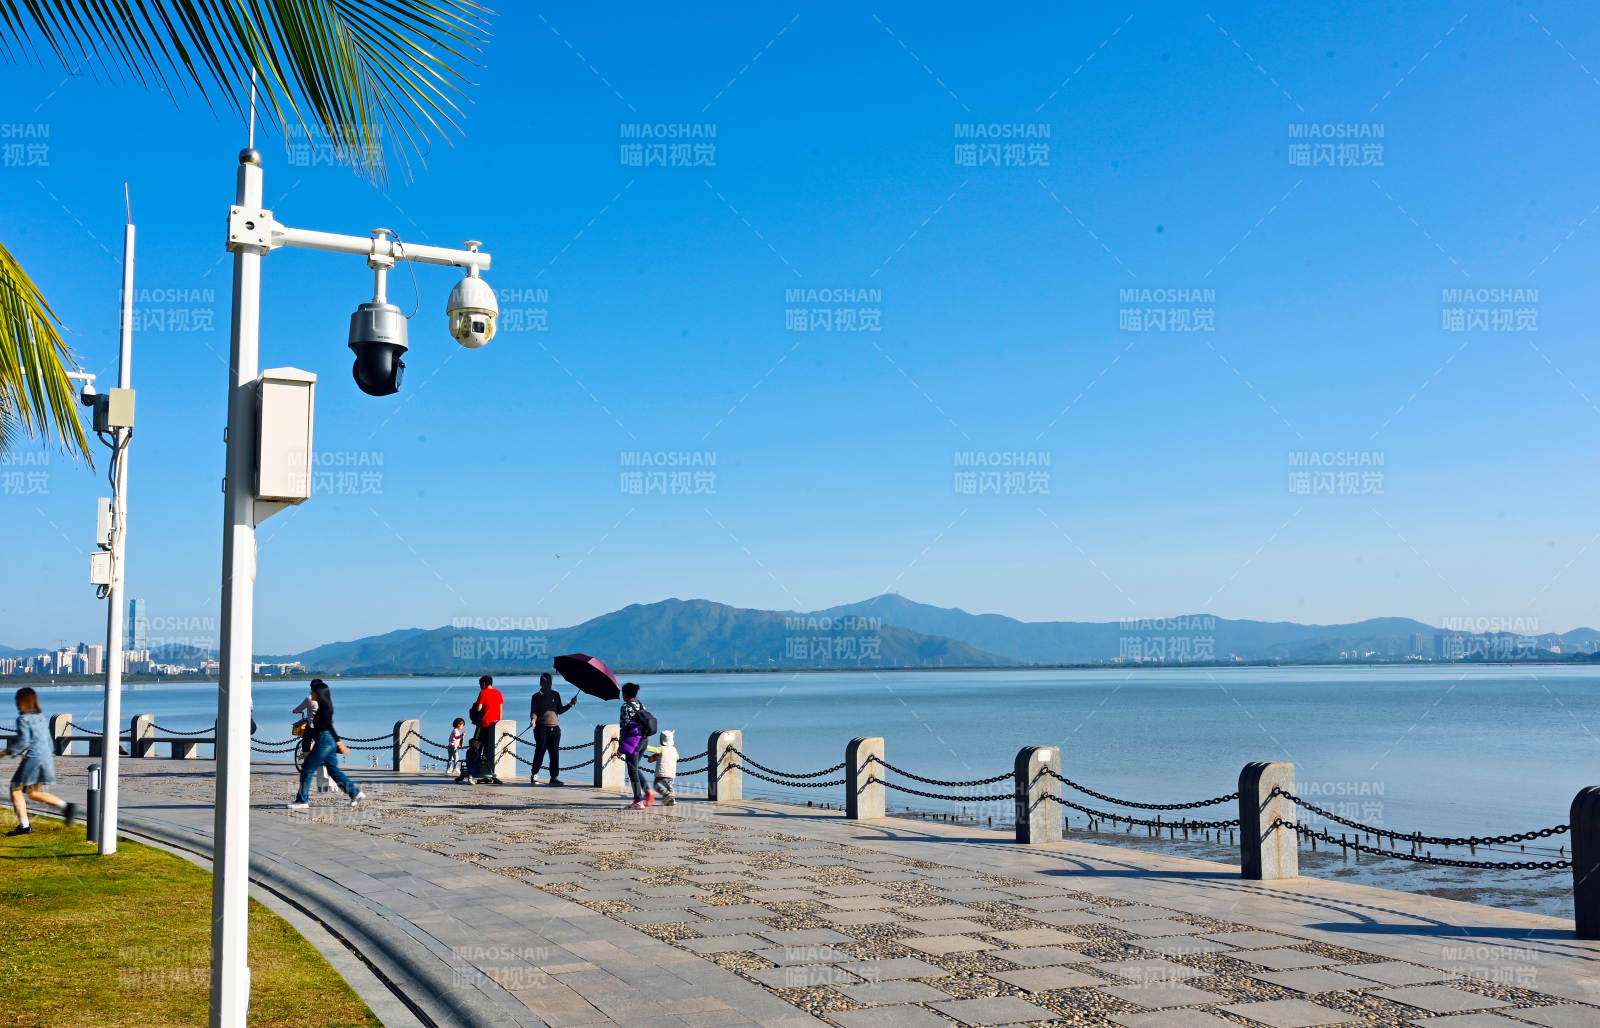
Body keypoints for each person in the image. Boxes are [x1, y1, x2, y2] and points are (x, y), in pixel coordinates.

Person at [2, 688, 77, 835]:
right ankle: (65, 806)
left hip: (33, 759)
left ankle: (24, 826)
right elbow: (49, 742)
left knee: (15, 789)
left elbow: (24, 742)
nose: (16, 703)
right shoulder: (41, 717)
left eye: (17, 700)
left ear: (22, 702)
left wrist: (6, 752)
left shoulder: (23, 719)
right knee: (32, 792)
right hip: (46, 758)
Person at [288, 679, 365, 810]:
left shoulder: (324, 709)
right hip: (327, 741)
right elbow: (319, 728)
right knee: (333, 771)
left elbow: (330, 727)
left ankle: (302, 800)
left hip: (324, 741)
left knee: (307, 769)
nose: (310, 694)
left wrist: (339, 743)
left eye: (313, 692)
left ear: (318, 693)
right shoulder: (325, 707)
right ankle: (355, 793)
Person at [528, 672, 577, 786]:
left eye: (549, 681)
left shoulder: (555, 694)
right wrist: (533, 720)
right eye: (544, 682)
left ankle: (554, 777)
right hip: (541, 728)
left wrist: (570, 704)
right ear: (541, 683)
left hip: (555, 729)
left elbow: (559, 710)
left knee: (554, 753)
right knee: (539, 751)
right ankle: (534, 774)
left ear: (551, 682)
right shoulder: (536, 696)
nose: (547, 684)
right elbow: (534, 711)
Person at [618, 682, 656, 809]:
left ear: (625, 693)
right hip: (644, 740)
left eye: (622, 692)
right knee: (635, 767)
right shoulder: (641, 704)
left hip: (633, 742)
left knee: (632, 770)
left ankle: (638, 800)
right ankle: (648, 791)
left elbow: (624, 727)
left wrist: (621, 747)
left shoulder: (625, 707)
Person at [469, 674, 504, 785]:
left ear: (484, 683)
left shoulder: (483, 693)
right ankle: (487, 773)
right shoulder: (499, 693)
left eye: (480, 684)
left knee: (476, 748)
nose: (480, 686)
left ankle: (473, 772)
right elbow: (500, 711)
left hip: (482, 725)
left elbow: (479, 708)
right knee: (489, 751)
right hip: (494, 726)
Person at [644, 729, 677, 806]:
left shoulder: (661, 749)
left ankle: (667, 795)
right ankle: (671, 799)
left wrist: (644, 745)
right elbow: (677, 757)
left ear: (662, 740)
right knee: (669, 786)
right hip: (671, 774)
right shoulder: (674, 750)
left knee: (657, 785)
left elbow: (652, 749)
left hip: (662, 773)